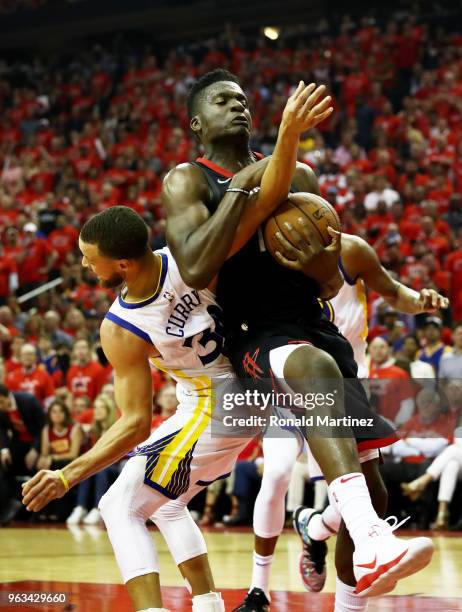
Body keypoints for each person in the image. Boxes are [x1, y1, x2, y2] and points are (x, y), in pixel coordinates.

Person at [162, 68, 433, 608]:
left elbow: (328, 276)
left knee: (372, 493)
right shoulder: (188, 181)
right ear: (196, 123)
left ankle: (350, 574)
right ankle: (365, 543)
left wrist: (318, 258)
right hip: (251, 333)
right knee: (306, 376)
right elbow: (194, 265)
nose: (238, 106)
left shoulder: (301, 176)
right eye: (222, 101)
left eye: (242, 99)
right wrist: (249, 188)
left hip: (316, 326)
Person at [240, 233, 448, 605]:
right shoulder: (267, 259)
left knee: (373, 495)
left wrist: (420, 301)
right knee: (276, 473)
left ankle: (316, 529)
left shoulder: (349, 250)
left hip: (346, 382)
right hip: (287, 376)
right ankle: (259, 587)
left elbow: (394, 290)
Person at [67, 393, 119, 525]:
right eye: (96, 407)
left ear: (109, 410)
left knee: (100, 470)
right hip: (102, 466)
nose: (97, 411)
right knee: (87, 469)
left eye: (101, 408)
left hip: (117, 466)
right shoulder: (94, 430)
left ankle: (98, 509)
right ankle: (80, 508)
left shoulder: (117, 428)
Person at [0, 383, 45, 525]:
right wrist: (4, 449)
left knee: (36, 467)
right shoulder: (1, 408)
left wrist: (36, 450)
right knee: (3, 464)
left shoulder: (28, 400)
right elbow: (1, 429)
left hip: (38, 443)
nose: (0, 406)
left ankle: (34, 510)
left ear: (8, 396)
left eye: (1, 402)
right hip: (19, 443)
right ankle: (6, 507)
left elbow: (43, 426)